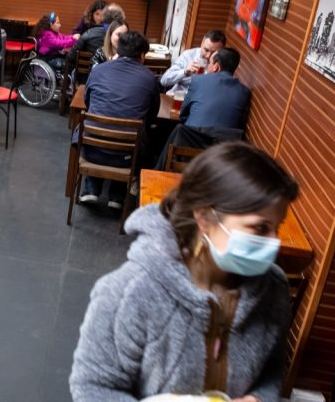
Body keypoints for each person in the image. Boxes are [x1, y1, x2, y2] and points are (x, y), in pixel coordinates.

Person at [69, 141, 298, 402]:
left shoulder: (274, 291)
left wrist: (258, 398)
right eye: (259, 228)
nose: (274, 243)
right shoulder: (128, 292)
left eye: (277, 228)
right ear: (204, 217)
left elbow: (272, 371)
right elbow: (92, 386)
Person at [79, 31, 160, 208]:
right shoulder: (150, 78)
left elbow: (87, 101)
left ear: (118, 50)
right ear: (142, 55)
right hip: (126, 155)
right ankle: (116, 197)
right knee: (139, 136)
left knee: (97, 124)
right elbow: (153, 113)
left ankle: (91, 189)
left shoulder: (98, 70)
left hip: (91, 148)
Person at [179, 47, 250, 130]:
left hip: (190, 135)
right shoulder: (244, 92)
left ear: (216, 67)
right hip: (223, 138)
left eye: (210, 63)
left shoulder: (198, 80)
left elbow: (183, 115)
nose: (207, 66)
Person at [161, 29, 226, 94]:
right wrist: (184, 72)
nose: (208, 56)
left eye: (214, 52)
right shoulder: (188, 55)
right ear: (202, 43)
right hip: (177, 96)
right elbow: (164, 81)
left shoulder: (222, 65)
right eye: (206, 50)